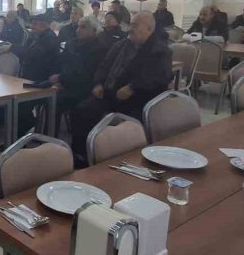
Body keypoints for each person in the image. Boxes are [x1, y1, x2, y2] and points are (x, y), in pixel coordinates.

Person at [69, 12, 172, 166]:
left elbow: (160, 77)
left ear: (149, 29)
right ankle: (82, 156)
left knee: (115, 126)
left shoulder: (160, 50)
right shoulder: (121, 45)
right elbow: (103, 66)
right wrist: (98, 83)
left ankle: (111, 158)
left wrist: (133, 87)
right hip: (109, 94)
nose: (130, 29)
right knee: (81, 111)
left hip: (137, 99)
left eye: (135, 26)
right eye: (130, 24)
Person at [50, 16, 107, 118]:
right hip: (66, 82)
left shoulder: (99, 49)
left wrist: (61, 79)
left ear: (94, 30)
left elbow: (85, 73)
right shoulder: (72, 43)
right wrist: (58, 78)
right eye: (78, 27)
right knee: (44, 94)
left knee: (54, 100)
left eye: (83, 27)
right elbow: (61, 62)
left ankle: (51, 132)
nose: (78, 30)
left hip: (84, 88)